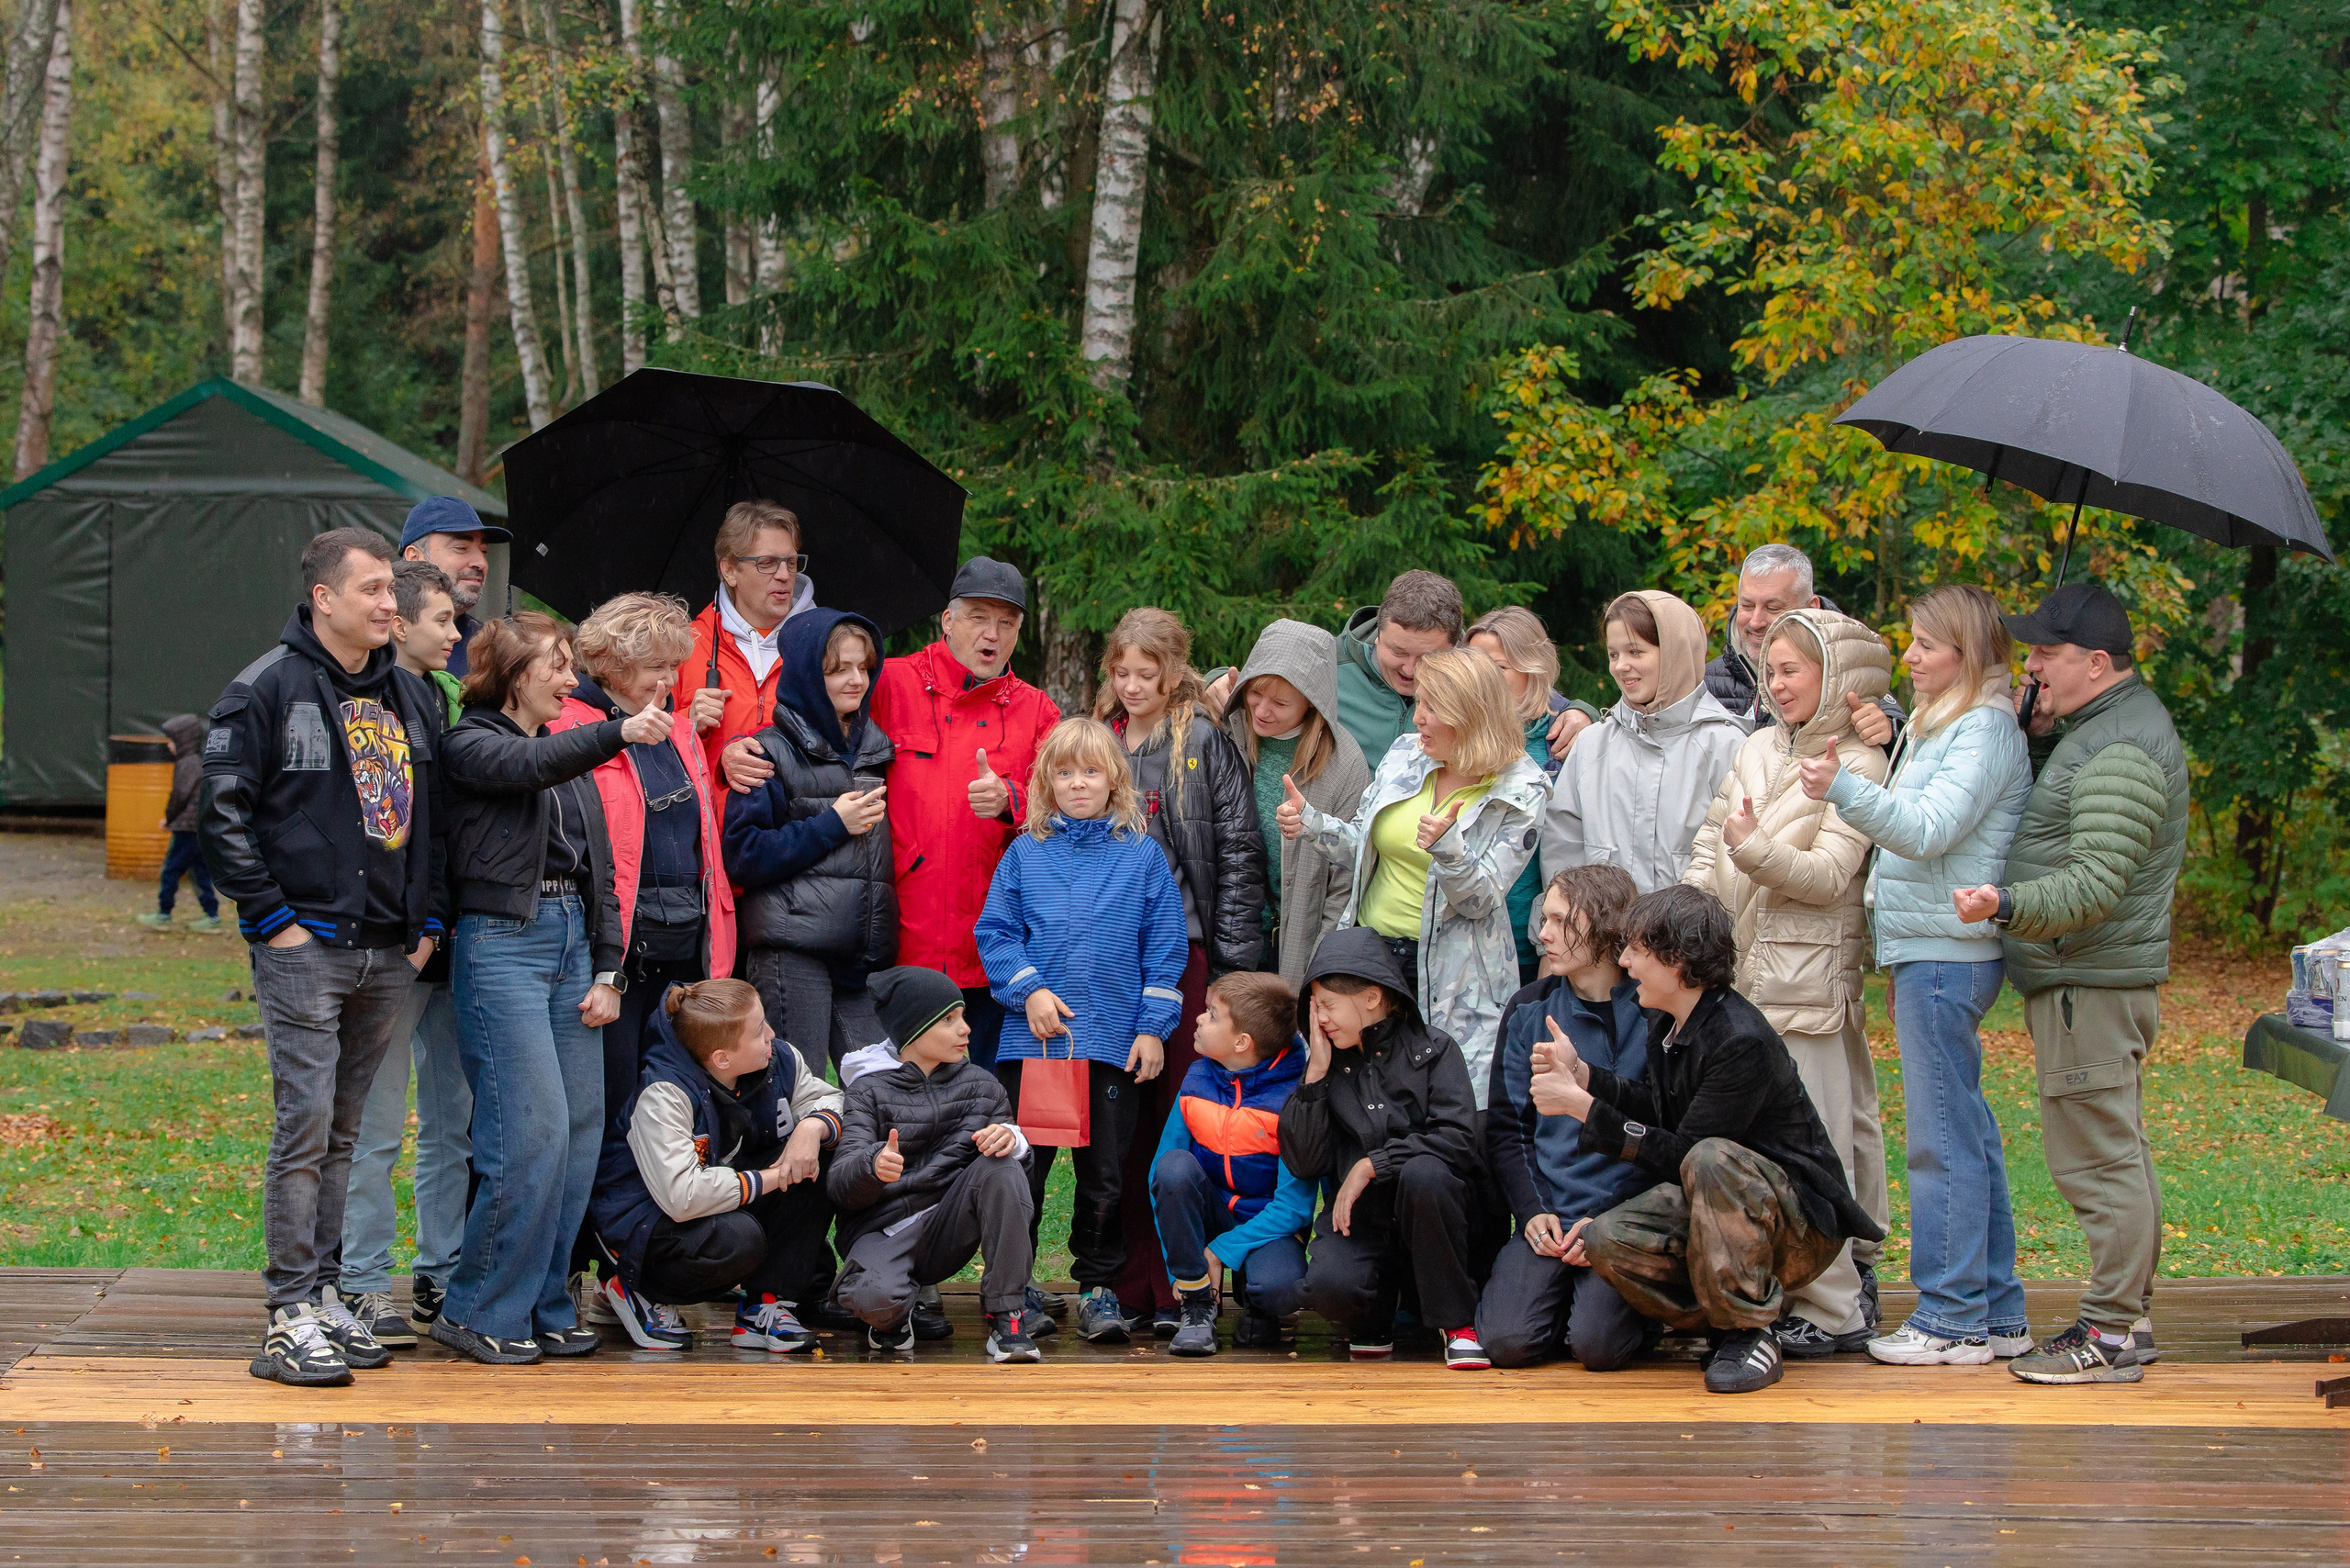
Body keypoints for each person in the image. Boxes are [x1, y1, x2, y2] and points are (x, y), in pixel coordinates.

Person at [199, 528, 450, 1386]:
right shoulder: (266, 688)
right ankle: (288, 1314)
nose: (392, 603)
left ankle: (332, 1294)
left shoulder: (413, 698)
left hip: (391, 950)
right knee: (303, 1129)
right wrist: (275, 920)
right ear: (325, 599)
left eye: (393, 590)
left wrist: (428, 927)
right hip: (307, 949)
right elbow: (220, 814)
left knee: (344, 1133)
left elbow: (438, 823)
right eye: (375, 588)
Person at [1952, 583, 2188, 1385]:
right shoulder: (2098, 731)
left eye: (2046, 654)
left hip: (2088, 978)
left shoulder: (2122, 747)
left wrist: (2007, 903)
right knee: (2112, 1149)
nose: (2032, 664)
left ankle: (2111, 1333)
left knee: (2096, 1161)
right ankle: (2131, 1318)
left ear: (2096, 662)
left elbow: (2094, 882)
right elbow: (2069, 823)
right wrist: (2038, 733)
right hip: (2084, 979)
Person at [1799, 584, 2034, 1367]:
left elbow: (1928, 832)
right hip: (1926, 951)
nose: (1910, 655)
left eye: (1925, 645)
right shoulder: (1950, 725)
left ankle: (1951, 1317)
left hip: (1949, 954)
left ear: (1965, 653)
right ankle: (1997, 1313)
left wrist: (1842, 788)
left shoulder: (1983, 730)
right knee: (1966, 1131)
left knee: (1940, 1140)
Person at [1530, 885, 1885, 1394]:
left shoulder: (1740, 1039)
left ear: (1676, 962)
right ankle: (1724, 1323)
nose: (1625, 961)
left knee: (1711, 1157)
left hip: (1799, 1225)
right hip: (1724, 1204)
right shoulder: (1668, 1018)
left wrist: (1581, 1108)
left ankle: (1749, 1332)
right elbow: (1659, 1106)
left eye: (1636, 950)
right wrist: (1585, 1075)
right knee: (1606, 1239)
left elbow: (1686, 1154)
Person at [436, 612, 673, 1365]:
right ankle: (475, 1309)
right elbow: (520, 771)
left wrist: (609, 968)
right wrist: (618, 733)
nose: (571, 681)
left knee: (575, 1139)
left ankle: (539, 1304)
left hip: (572, 940)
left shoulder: (556, 757)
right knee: (527, 1134)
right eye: (558, 665)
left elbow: (599, 870)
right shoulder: (474, 742)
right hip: (502, 942)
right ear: (513, 672)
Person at [1681, 608, 1893, 1358]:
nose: (1775, 684)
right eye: (1769, 670)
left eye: (1792, 670)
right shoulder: (1758, 747)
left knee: (1820, 1147)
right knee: (1749, 1149)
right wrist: (1696, 906)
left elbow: (1831, 874)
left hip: (1808, 989)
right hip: (1742, 979)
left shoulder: (1860, 764)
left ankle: (1836, 1307)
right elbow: (1712, 833)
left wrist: (1754, 848)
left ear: (1835, 675)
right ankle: (1770, 1291)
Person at [975, 717, 1187, 1345]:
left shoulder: (1142, 856)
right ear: (1045, 780)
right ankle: (1016, 1288)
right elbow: (996, 933)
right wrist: (1031, 990)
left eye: (1090, 771)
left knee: (1106, 1175)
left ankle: (1098, 1287)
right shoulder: (1025, 851)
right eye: (1063, 772)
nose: (1077, 783)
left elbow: (1165, 948)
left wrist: (1152, 1028)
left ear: (1116, 779)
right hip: (1035, 1043)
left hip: (1113, 1042)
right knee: (1026, 1170)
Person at [1094, 607, 1267, 1327]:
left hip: (1186, 952)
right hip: (1106, 961)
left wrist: (1232, 969)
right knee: (1120, 1124)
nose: (1134, 686)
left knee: (1177, 1118)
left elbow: (1237, 854)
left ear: (1173, 673)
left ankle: (1180, 1286)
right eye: (1122, 672)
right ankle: (1126, 1283)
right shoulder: (1099, 740)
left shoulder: (1200, 740)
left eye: (1148, 673)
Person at [1280, 648, 1548, 1101]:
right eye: (1417, 703)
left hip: (1452, 979)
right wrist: (1313, 823)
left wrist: (1450, 852)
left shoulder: (1524, 788)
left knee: (1433, 1103)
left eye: (1430, 707)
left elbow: (1480, 899)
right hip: (1369, 959)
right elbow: (1363, 848)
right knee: (1354, 1096)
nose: (1417, 718)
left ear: (1468, 713)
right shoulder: (1406, 753)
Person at [337, 559, 471, 1350]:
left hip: (452, 944)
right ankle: (360, 1280)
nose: (456, 632)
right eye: (443, 620)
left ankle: (442, 1269)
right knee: (377, 1123)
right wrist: (410, 923)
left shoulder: (452, 697)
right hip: (397, 943)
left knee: (453, 1123)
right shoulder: (375, 698)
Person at [863, 556, 1062, 1070]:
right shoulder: (890, 683)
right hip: (904, 935)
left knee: (980, 1104)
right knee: (900, 1103)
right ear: (948, 620)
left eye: (1007, 622)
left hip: (991, 944)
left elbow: (1070, 808)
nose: (992, 634)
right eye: (978, 616)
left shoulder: (1038, 711)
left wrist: (1012, 801)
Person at [559, 593, 737, 1137]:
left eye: (673, 667)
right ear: (613, 662)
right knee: (609, 1101)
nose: (668, 679)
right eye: (654, 666)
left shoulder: (679, 730)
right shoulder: (571, 723)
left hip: (685, 942)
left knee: (673, 1100)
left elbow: (702, 843)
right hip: (615, 945)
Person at [586, 979, 843, 1353]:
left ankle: (765, 1306)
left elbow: (835, 1100)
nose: (772, 1034)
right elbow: (681, 1197)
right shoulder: (663, 1093)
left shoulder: (780, 1059)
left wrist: (812, 1126)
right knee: (737, 1241)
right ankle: (633, 1286)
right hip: (643, 1221)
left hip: (717, 1196)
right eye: (758, 1031)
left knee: (818, 1151)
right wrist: (773, 1176)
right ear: (722, 1058)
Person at [1476, 866, 1656, 1371]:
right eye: (1544, 919)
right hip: (1553, 1215)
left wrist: (1611, 1224)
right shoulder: (1529, 1008)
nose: (1544, 934)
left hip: (1627, 1220)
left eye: (1559, 921)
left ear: (1603, 928)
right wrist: (1532, 1212)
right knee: (1508, 1343)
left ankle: (1621, 1308)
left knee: (1598, 1348)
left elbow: (1668, 1134)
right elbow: (1509, 1130)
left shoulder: (1655, 1009)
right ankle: (1562, 1301)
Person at [1280, 927, 1484, 1367]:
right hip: (1363, 1226)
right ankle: (1372, 1317)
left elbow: (1460, 1138)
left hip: (1432, 1224)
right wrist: (1315, 1075)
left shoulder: (1436, 1050)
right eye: (1315, 1010)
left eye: (1328, 1006)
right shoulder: (1325, 1064)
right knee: (1330, 1286)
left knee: (1425, 1173)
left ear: (1372, 998)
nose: (1321, 1021)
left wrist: (1374, 1164)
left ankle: (1457, 1322)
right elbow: (1303, 1162)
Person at [826, 965, 1042, 1363]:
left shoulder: (983, 1085)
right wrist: (872, 1165)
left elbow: (1014, 1186)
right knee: (873, 1299)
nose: (966, 1029)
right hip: (884, 1230)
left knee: (1003, 1166)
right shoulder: (866, 1091)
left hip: (949, 1225)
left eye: (962, 1017)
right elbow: (840, 1183)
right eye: (949, 1020)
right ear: (912, 1030)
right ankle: (893, 1314)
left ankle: (1008, 1315)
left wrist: (1014, 1142)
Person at [725, 609, 897, 1076]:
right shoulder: (765, 750)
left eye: (863, 666)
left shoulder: (876, 749)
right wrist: (833, 824)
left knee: (883, 1090)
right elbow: (744, 855)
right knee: (793, 1095)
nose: (856, 679)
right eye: (838, 668)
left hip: (858, 956)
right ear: (806, 673)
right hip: (792, 952)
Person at [1148, 970, 1315, 1357]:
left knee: (1278, 1289)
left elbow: (1294, 1207)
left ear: (1241, 1042)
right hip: (1211, 1212)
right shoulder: (1196, 1080)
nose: (1199, 1019)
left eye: (1211, 1014)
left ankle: (1256, 1301)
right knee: (1175, 1166)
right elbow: (1162, 1175)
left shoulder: (1293, 1100)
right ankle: (1197, 1306)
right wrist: (1183, 1268)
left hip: (1268, 1225)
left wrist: (1220, 1251)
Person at [1540, 590, 1746, 893]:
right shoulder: (1593, 744)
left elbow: (1737, 864)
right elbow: (1562, 851)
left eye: (1635, 652)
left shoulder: (1726, 746)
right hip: (1601, 939)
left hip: (1689, 938)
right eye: (1614, 654)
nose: (1621, 666)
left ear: (1676, 652)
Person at [1219, 619, 1373, 990]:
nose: (1262, 710)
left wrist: (1322, 960)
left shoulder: (1345, 764)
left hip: (1300, 944)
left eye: (1281, 702)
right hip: (1231, 934)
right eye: (1256, 693)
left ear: (1312, 703)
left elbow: (1346, 882)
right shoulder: (1227, 733)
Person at [1466, 605, 1598, 980]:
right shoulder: (1449, 738)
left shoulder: (1569, 743)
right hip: (1462, 940)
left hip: (1543, 940)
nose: (1483, 679)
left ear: (1534, 668)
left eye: (1500, 667)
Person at [1703, 543, 1901, 744]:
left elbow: (1904, 745)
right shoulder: (1704, 682)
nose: (1755, 621)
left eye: (1773, 608)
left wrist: (1890, 732)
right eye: (1747, 605)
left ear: (1811, 608)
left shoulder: (1849, 672)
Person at [689, 498, 822, 790]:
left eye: (791, 562)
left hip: (797, 829)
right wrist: (687, 726)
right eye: (767, 563)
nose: (786, 575)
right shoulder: (684, 647)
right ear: (730, 570)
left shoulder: (824, 647)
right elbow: (650, 758)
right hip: (712, 830)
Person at [398, 495, 509, 680]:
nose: (480, 563)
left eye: (484, 551)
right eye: (461, 548)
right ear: (415, 557)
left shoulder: (492, 650)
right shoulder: (371, 639)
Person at [139, 714, 221, 933]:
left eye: (172, 740)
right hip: (197, 828)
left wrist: (169, 818)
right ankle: (211, 916)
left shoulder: (187, 764)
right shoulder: (196, 762)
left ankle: (164, 914)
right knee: (199, 872)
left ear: (183, 741)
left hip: (187, 829)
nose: (168, 745)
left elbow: (179, 796)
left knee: (170, 870)